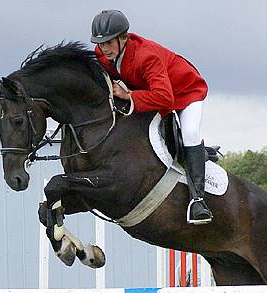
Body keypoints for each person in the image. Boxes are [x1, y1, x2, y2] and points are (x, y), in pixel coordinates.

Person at [91, 10, 213, 225]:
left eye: (109, 42)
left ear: (123, 38)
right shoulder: (102, 54)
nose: (104, 48)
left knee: (190, 133)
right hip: (153, 92)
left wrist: (128, 95)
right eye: (101, 43)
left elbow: (165, 98)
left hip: (186, 92)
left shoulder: (146, 56)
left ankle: (198, 201)